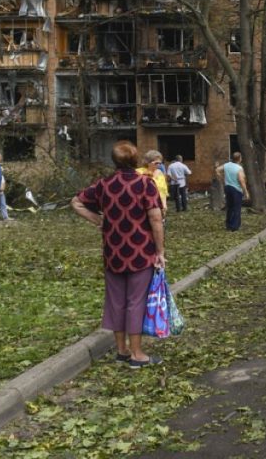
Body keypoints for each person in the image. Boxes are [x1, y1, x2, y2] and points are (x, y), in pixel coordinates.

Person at [71, 141, 165, 368]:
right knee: (135, 301)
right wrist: (160, 251)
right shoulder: (145, 184)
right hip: (140, 252)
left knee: (115, 301)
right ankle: (137, 355)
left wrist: (99, 220)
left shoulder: (104, 185)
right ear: (135, 160)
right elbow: (155, 218)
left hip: (113, 253)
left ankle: (121, 350)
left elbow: (76, 202)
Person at [217, 152, 249, 231]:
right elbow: (241, 180)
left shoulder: (227, 165)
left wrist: (222, 179)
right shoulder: (239, 168)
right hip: (236, 189)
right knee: (236, 208)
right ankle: (235, 226)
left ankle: (228, 225)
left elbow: (217, 170)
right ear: (239, 159)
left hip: (228, 188)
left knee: (230, 207)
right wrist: (246, 192)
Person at [138, 150, 169, 218]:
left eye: (160, 163)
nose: (158, 165)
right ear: (148, 162)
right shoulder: (139, 172)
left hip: (158, 205)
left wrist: (164, 205)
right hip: (144, 205)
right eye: (156, 163)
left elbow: (163, 190)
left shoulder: (160, 173)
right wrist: (150, 168)